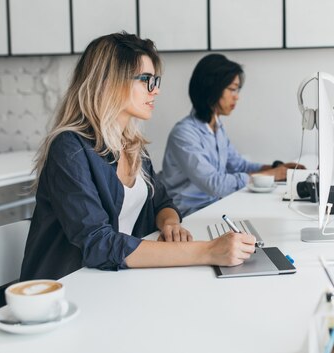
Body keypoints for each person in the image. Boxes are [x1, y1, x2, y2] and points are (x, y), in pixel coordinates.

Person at [20, 33, 255, 281]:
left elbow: (162, 203)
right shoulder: (69, 148)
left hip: (113, 280)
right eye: (146, 80)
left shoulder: (132, 145)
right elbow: (99, 243)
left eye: (156, 80)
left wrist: (170, 224)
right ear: (108, 81)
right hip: (66, 289)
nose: (156, 90)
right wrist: (208, 251)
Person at [160, 53, 302, 217]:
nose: (237, 96)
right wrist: (269, 175)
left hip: (214, 207)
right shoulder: (184, 134)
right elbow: (214, 184)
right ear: (212, 87)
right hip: (189, 216)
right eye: (232, 89)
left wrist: (276, 168)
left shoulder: (216, 127)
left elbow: (239, 165)